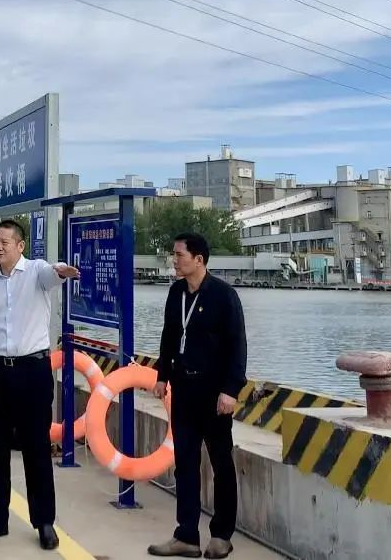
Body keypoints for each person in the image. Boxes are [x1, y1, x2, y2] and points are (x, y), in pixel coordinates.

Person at [0, 219, 79, 551]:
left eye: (5, 242)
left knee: (36, 449)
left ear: (20, 246)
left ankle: (44, 522)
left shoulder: (36, 272)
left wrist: (62, 271)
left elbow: (52, 274)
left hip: (32, 371)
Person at [148, 233, 247, 560]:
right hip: (183, 390)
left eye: (179, 255)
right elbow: (169, 335)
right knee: (185, 464)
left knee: (221, 464)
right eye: (174, 254)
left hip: (214, 394)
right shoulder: (176, 292)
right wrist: (162, 376)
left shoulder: (223, 296)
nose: (174, 260)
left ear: (199, 259)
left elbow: (237, 346)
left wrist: (231, 390)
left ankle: (221, 536)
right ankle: (186, 535)